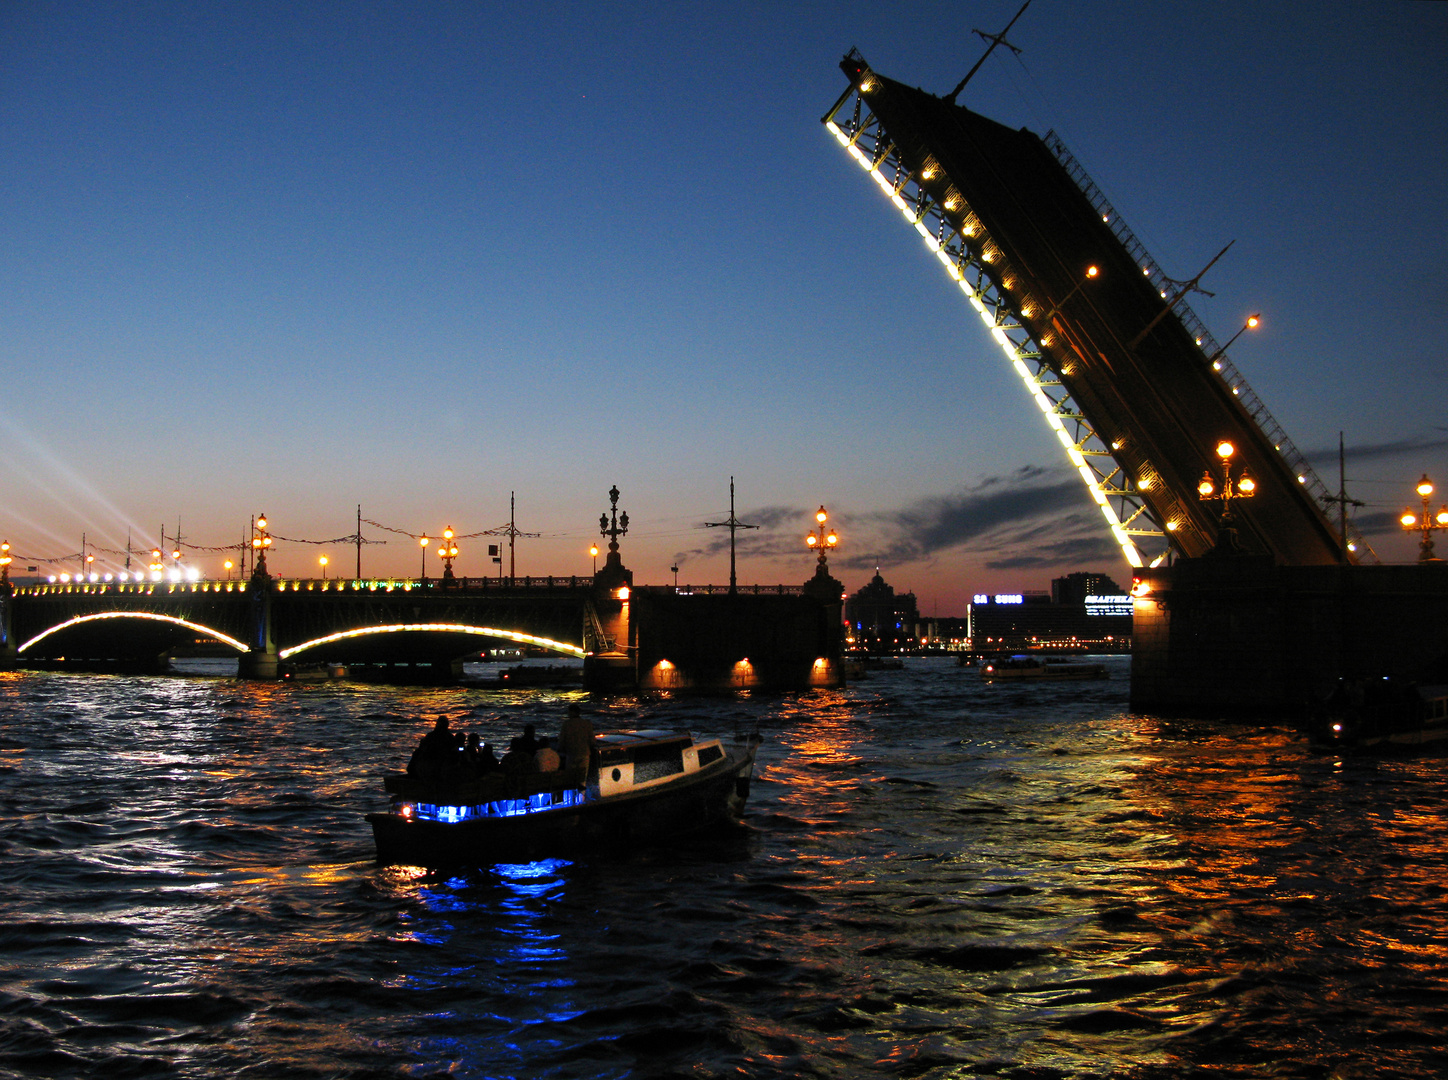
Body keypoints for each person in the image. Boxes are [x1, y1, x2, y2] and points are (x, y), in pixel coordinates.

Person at [559, 704, 594, 772]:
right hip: (584, 753)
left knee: (570, 776)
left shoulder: (566, 724)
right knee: (582, 775)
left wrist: (561, 749)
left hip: (571, 753)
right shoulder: (587, 723)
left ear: (572, 712)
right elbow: (592, 740)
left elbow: (562, 740)